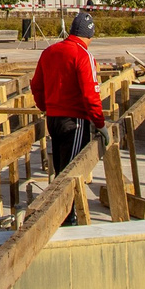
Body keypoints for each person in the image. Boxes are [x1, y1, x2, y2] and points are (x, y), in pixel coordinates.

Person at [31, 9, 105, 177]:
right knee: (70, 176)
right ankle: (66, 204)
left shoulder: (50, 51)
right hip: (74, 120)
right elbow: (90, 94)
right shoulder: (83, 55)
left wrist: (45, 107)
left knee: (60, 170)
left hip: (53, 119)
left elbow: (36, 85)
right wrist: (100, 124)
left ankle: (63, 203)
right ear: (90, 35)